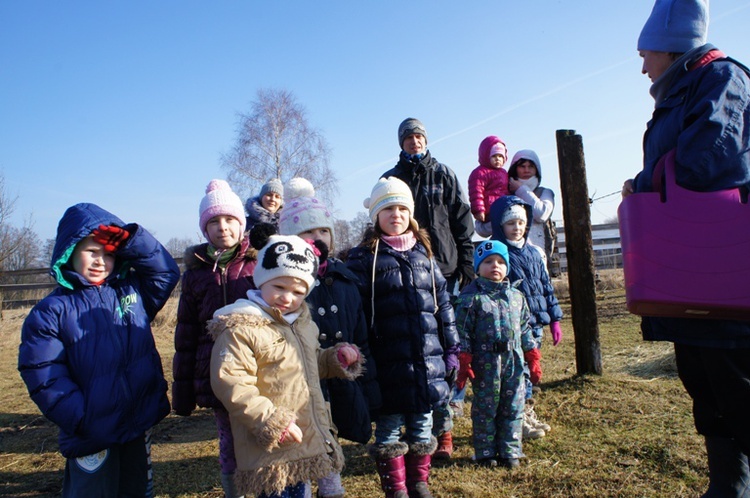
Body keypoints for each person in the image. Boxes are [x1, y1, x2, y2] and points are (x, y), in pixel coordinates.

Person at [621, 0, 750, 495]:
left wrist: (646, 182)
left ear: (670, 44)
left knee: (737, 386)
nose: (641, 65)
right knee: (707, 388)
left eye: (644, 52)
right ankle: (727, 486)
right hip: (692, 277)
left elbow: (707, 157)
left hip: (720, 268)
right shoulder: (680, 89)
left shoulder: (722, 78)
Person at [18, 202, 180, 498]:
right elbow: (44, 374)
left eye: (108, 254)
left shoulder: (130, 292)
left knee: (136, 489)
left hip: (137, 420)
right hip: (92, 432)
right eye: (91, 251)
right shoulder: (51, 311)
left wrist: (130, 239)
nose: (100, 261)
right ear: (70, 251)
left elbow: (165, 272)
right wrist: (81, 419)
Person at [209, 231, 364, 498]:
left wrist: (334, 359)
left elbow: (311, 362)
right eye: (279, 287)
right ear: (262, 280)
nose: (288, 298)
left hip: (303, 437)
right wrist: (270, 420)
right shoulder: (242, 327)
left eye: (298, 291)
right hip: (270, 446)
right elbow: (231, 383)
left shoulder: (303, 324)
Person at [347, 177, 459, 498]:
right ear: (376, 217)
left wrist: (451, 347)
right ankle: (396, 488)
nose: (395, 214)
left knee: (423, 424)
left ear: (409, 214)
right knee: (389, 426)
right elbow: (354, 310)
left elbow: (444, 304)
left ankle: (419, 483)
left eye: (401, 208)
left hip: (427, 362)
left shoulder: (424, 255)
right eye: (387, 209)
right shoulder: (363, 259)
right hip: (387, 363)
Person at [278, 177, 381, 498]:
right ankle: (308, 486)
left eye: (323, 231)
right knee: (310, 434)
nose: (317, 238)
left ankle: (332, 484)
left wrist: (367, 380)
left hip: (341, 372)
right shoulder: (285, 284)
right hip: (302, 379)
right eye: (308, 232)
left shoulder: (344, 278)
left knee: (333, 429)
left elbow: (361, 333)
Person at [381, 117, 473, 459]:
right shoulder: (391, 178)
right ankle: (413, 423)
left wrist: (466, 261)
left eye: (418, 136)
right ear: (401, 143)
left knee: (443, 348)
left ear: (426, 139)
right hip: (405, 270)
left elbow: (462, 218)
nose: (414, 142)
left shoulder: (444, 173)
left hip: (444, 269)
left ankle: (443, 428)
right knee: (411, 349)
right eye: (408, 138)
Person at [171, 179, 257, 498]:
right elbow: (186, 334)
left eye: (230, 220)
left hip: (256, 371)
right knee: (229, 440)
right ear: (204, 230)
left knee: (260, 435)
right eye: (214, 222)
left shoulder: (256, 265)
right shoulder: (195, 275)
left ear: (241, 224)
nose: (223, 228)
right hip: (216, 375)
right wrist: (182, 395)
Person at [455, 240, 535, 469]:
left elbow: (525, 327)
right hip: (485, 363)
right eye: (488, 262)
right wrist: (464, 358)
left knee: (513, 405)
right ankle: (485, 451)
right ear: (478, 267)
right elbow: (462, 331)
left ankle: (510, 450)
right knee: (485, 408)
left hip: (513, 361)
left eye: (500, 262)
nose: (495, 266)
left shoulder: (517, 297)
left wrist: (532, 354)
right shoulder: (470, 298)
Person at [490, 195, 562, 440]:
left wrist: (554, 318)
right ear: (501, 226)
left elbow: (546, 287)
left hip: (536, 325)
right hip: (513, 326)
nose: (517, 228)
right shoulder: (500, 254)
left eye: (520, 223)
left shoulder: (534, 253)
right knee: (516, 372)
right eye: (511, 223)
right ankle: (515, 419)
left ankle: (528, 412)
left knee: (532, 370)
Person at [507, 149, 557, 274]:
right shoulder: (505, 194)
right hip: (511, 261)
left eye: (531, 166)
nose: (526, 170)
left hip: (539, 261)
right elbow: (484, 228)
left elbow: (541, 214)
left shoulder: (545, 193)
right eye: (522, 166)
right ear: (515, 169)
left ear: (537, 170)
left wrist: (521, 189)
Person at [468, 135, 509, 238]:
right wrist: (479, 210)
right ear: (486, 156)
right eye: (494, 156)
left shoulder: (504, 173)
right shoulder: (480, 173)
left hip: (503, 208)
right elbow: (476, 193)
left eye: (500, 156)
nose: (498, 159)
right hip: (490, 210)